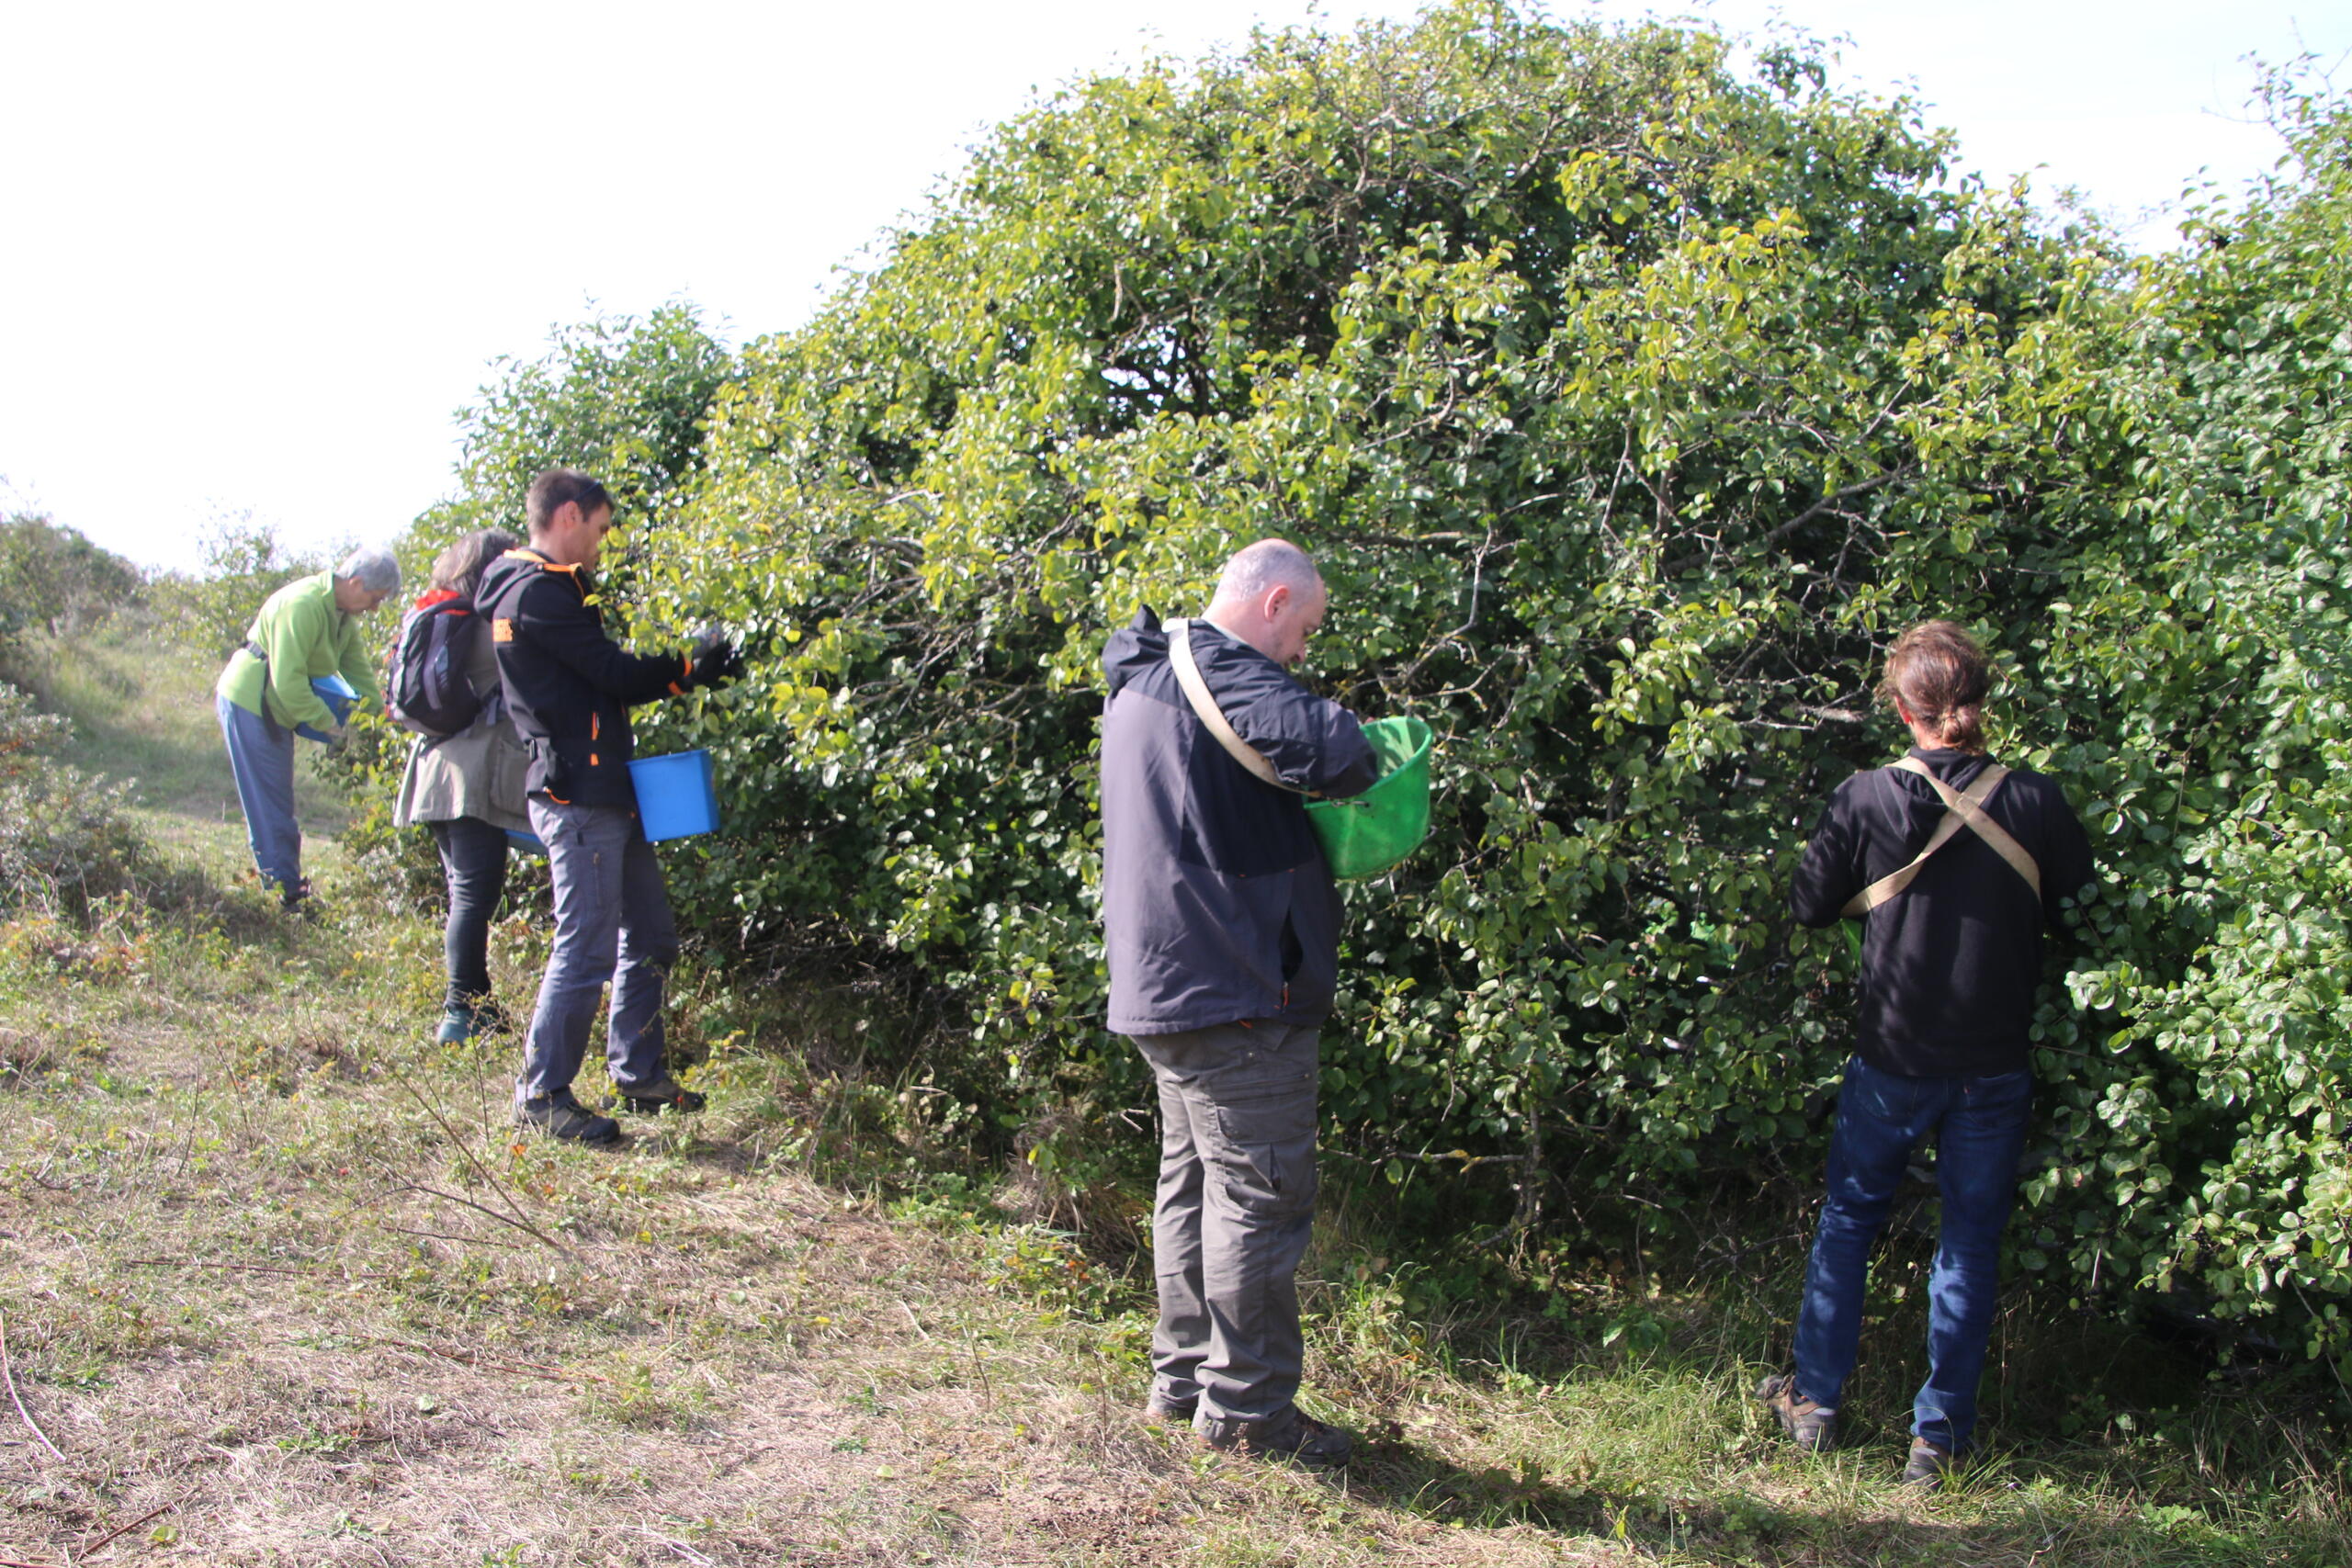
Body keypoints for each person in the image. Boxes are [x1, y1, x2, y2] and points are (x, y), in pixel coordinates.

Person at [1764, 620, 2094, 1488]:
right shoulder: (2036, 801)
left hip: (1892, 1059)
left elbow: (1807, 905)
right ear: (1978, 703)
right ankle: (1937, 1439)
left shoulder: (1869, 796)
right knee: (1969, 1245)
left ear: (1903, 708)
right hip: (1993, 1063)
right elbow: (2078, 906)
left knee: (1848, 1223)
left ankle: (1815, 1405)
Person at [1099, 538, 1381, 1469]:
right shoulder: (1223, 670)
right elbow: (1337, 753)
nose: (1304, 650)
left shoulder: (1148, 671)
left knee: (1193, 1187)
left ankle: (1182, 1382)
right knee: (1261, 1198)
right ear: (1272, 603)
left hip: (1169, 982)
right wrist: (1373, 740)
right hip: (1237, 986)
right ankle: (1250, 1413)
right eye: (1305, 629)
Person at [475, 469, 742, 1144]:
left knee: (650, 934)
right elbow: (615, 673)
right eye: (599, 529)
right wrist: (690, 665)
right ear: (569, 515)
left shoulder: (537, 588)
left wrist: (683, 669)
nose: (602, 545)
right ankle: (542, 1096)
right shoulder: (538, 590)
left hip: (605, 791)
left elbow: (600, 684)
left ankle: (638, 1074)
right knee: (586, 945)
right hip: (579, 795)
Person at [392, 528, 531, 1044]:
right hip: (472, 778)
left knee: (464, 894)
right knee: (475, 897)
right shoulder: (491, 625)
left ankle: (480, 1005)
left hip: (433, 775)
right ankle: (458, 1011)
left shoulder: (444, 615)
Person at [215, 546, 401, 912]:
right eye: (375, 599)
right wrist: (333, 728)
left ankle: (283, 885)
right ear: (356, 582)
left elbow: (360, 676)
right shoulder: (303, 605)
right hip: (251, 701)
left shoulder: (342, 615)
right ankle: (284, 897)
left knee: (279, 799)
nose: (375, 608)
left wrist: (384, 727)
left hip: (278, 705)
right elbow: (289, 683)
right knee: (271, 803)